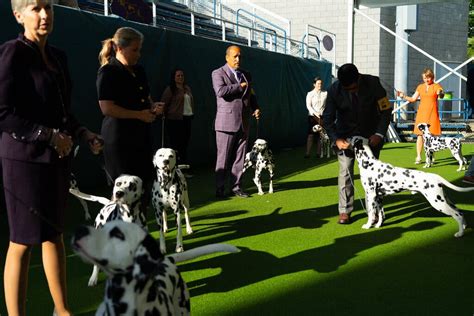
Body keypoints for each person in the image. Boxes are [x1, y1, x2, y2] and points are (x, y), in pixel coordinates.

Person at [0, 1, 102, 315]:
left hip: (55, 160)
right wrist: (48, 136)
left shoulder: (59, 56)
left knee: (53, 234)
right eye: (35, 8)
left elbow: (62, 113)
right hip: (23, 160)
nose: (44, 15)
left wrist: (84, 133)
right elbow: (3, 113)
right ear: (18, 15)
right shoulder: (11, 54)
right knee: (22, 241)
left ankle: (62, 310)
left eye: (48, 7)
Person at [97, 27, 163, 194]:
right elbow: (107, 108)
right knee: (124, 193)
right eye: (134, 50)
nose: (138, 54)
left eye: (139, 50)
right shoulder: (108, 72)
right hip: (119, 140)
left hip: (141, 137)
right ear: (119, 48)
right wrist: (139, 115)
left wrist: (153, 108)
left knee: (144, 188)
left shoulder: (139, 71)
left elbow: (146, 98)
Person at [322, 63, 391, 224]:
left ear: (358, 78)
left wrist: (379, 133)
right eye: (346, 89)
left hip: (371, 138)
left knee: (373, 176)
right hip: (345, 138)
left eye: (352, 88)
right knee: (345, 173)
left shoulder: (373, 83)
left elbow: (386, 110)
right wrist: (336, 139)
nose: (350, 92)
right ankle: (345, 211)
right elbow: (327, 118)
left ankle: (373, 211)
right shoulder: (333, 90)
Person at [211, 45, 261, 198]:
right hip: (226, 123)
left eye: (240, 56)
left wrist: (255, 107)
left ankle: (236, 187)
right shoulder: (218, 73)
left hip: (244, 122)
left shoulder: (246, 74)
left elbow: (251, 94)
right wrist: (239, 87)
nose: (238, 59)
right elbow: (220, 91)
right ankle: (220, 188)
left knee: (240, 158)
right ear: (227, 58)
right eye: (235, 56)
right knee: (223, 158)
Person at [397, 68, 444, 164]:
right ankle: (418, 156)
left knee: (432, 136)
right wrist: (403, 96)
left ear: (432, 77)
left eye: (428, 78)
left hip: (432, 114)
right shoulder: (420, 87)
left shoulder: (437, 86)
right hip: (421, 114)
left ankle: (431, 156)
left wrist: (441, 93)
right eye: (424, 78)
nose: (426, 80)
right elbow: (413, 99)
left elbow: (441, 95)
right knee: (419, 135)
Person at [160, 68, 194, 177]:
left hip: (186, 119)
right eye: (178, 76)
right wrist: (163, 115)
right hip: (174, 120)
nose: (180, 77)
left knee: (184, 145)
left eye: (182, 75)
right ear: (174, 78)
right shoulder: (170, 89)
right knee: (175, 146)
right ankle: (174, 171)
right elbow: (164, 103)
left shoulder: (187, 88)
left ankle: (184, 170)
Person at [305, 77, 327, 158]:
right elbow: (308, 105)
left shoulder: (325, 93)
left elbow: (327, 105)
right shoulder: (310, 94)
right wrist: (315, 113)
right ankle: (307, 154)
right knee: (311, 135)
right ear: (314, 84)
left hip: (322, 117)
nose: (320, 85)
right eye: (318, 83)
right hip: (312, 117)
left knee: (320, 135)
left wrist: (323, 114)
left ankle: (319, 153)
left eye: (321, 83)